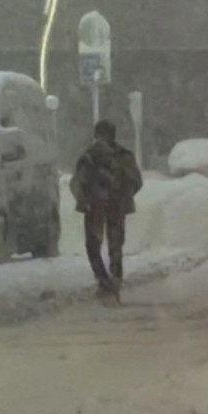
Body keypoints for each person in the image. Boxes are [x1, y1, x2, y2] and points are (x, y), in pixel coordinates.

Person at [71, 120, 142, 298]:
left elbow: (77, 182)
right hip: (115, 206)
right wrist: (123, 194)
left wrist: (85, 199)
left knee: (93, 246)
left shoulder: (88, 157)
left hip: (94, 207)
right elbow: (136, 181)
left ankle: (104, 281)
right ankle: (114, 280)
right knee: (115, 245)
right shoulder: (124, 156)